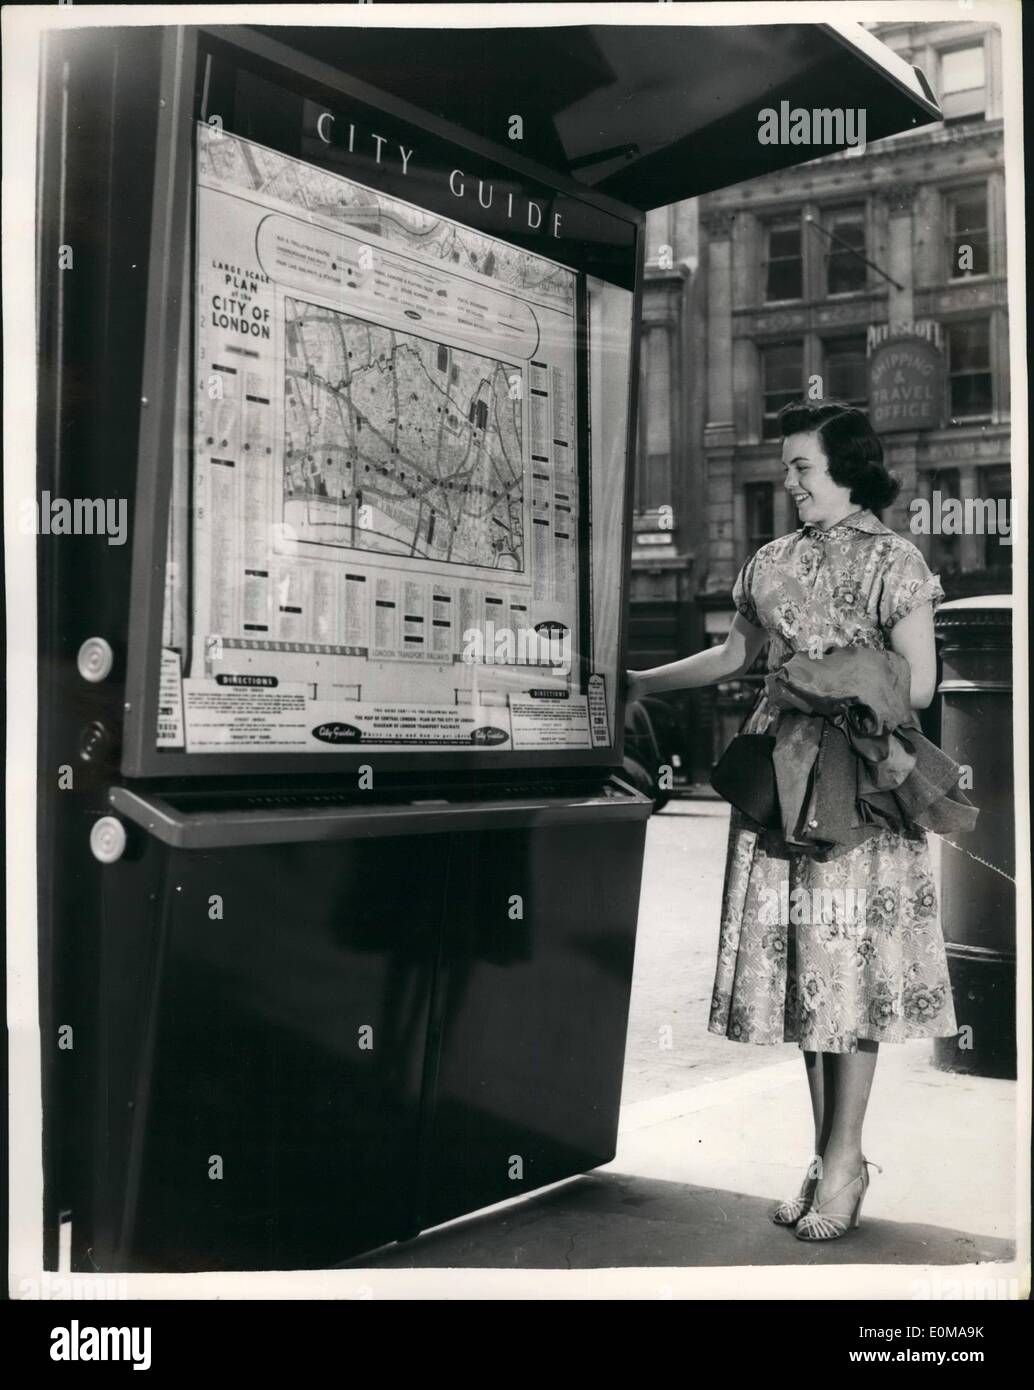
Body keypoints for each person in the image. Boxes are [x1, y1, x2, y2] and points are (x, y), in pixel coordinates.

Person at [626, 400, 958, 1241]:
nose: (790, 481)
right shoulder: (770, 561)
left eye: (803, 467)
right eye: (787, 468)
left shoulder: (898, 561)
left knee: (851, 977)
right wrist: (640, 681)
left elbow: (917, 685)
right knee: (810, 973)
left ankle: (845, 1161)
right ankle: (824, 1156)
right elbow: (735, 655)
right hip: (780, 785)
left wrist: (824, 675)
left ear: (849, 467)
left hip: (860, 784)